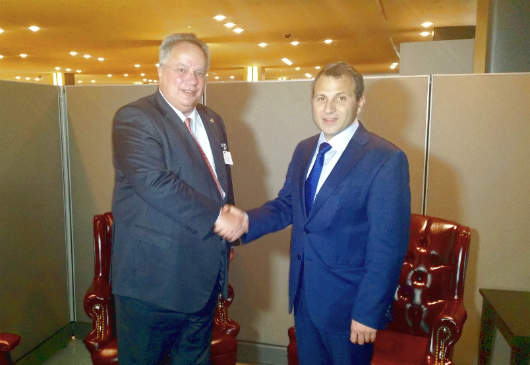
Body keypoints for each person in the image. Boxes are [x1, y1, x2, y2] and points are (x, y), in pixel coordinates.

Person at [220, 62, 411, 364]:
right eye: (321, 98)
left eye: (341, 98)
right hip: (305, 298)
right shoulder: (305, 150)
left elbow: (387, 247)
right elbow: (287, 205)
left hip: (349, 310)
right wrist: (246, 221)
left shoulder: (385, 159)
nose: (329, 108)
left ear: (360, 102)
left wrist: (368, 312)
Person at [111, 33, 246, 365]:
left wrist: (228, 229)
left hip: (201, 281)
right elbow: (155, 182)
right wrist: (219, 217)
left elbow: (220, 184)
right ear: (159, 70)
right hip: (152, 285)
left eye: (200, 72)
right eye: (182, 69)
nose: (192, 80)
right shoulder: (135, 118)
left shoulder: (213, 122)